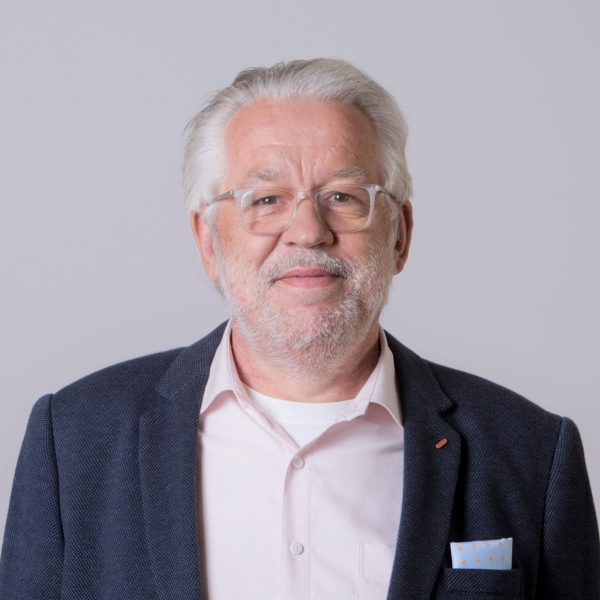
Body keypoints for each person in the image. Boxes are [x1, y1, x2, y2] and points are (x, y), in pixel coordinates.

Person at [0, 58, 598, 600]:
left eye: (342, 196)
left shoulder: (532, 454)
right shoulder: (74, 439)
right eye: (266, 200)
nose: (308, 231)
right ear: (208, 241)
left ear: (400, 234)